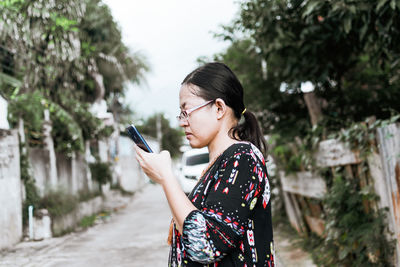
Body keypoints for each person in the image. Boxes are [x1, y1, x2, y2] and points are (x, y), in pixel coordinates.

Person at [134, 62, 274, 267]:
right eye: (181, 114)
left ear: (218, 108)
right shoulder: (222, 162)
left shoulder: (243, 157)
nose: (182, 122)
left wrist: (166, 176)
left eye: (187, 111)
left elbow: (206, 245)